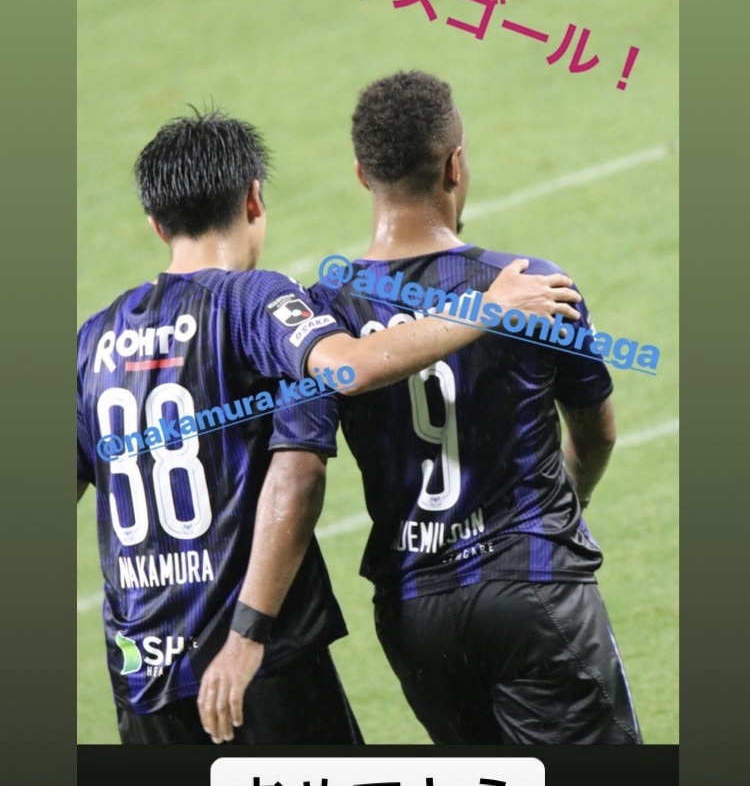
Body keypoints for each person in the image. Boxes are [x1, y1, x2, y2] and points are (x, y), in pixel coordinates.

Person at [77, 108, 581, 746]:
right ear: (253, 199)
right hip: (256, 665)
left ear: (156, 223)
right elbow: (346, 374)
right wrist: (488, 306)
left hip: (142, 677)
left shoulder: (92, 341)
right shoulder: (253, 300)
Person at [199, 73, 642, 746]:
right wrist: (568, 504)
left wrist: (247, 629)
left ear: (361, 175)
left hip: (415, 614)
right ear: (454, 164)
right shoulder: (531, 286)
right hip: (533, 588)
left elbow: (297, 471)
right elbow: (597, 431)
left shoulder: (322, 316)